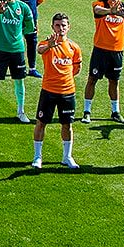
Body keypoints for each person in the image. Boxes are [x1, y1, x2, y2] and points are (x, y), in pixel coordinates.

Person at [31, 13, 82, 169]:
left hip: (67, 92)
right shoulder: (46, 43)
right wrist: (49, 46)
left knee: (67, 125)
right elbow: (39, 50)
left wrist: (64, 79)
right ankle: (37, 157)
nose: (61, 28)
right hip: (48, 91)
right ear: (52, 27)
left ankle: (67, 157)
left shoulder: (74, 47)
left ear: (68, 27)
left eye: (64, 25)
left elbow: (76, 68)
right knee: (41, 123)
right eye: (58, 25)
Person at [83, 0, 124, 124]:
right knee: (92, 79)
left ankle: (115, 112)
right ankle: (87, 112)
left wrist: (115, 37)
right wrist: (111, 11)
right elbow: (97, 10)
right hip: (100, 50)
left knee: (114, 81)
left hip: (117, 51)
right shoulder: (100, 4)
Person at [13, 0, 45, 78]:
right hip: (16, 19)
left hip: (31, 19)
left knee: (32, 42)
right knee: (15, 42)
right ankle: (16, 67)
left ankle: (32, 68)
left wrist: (30, 10)